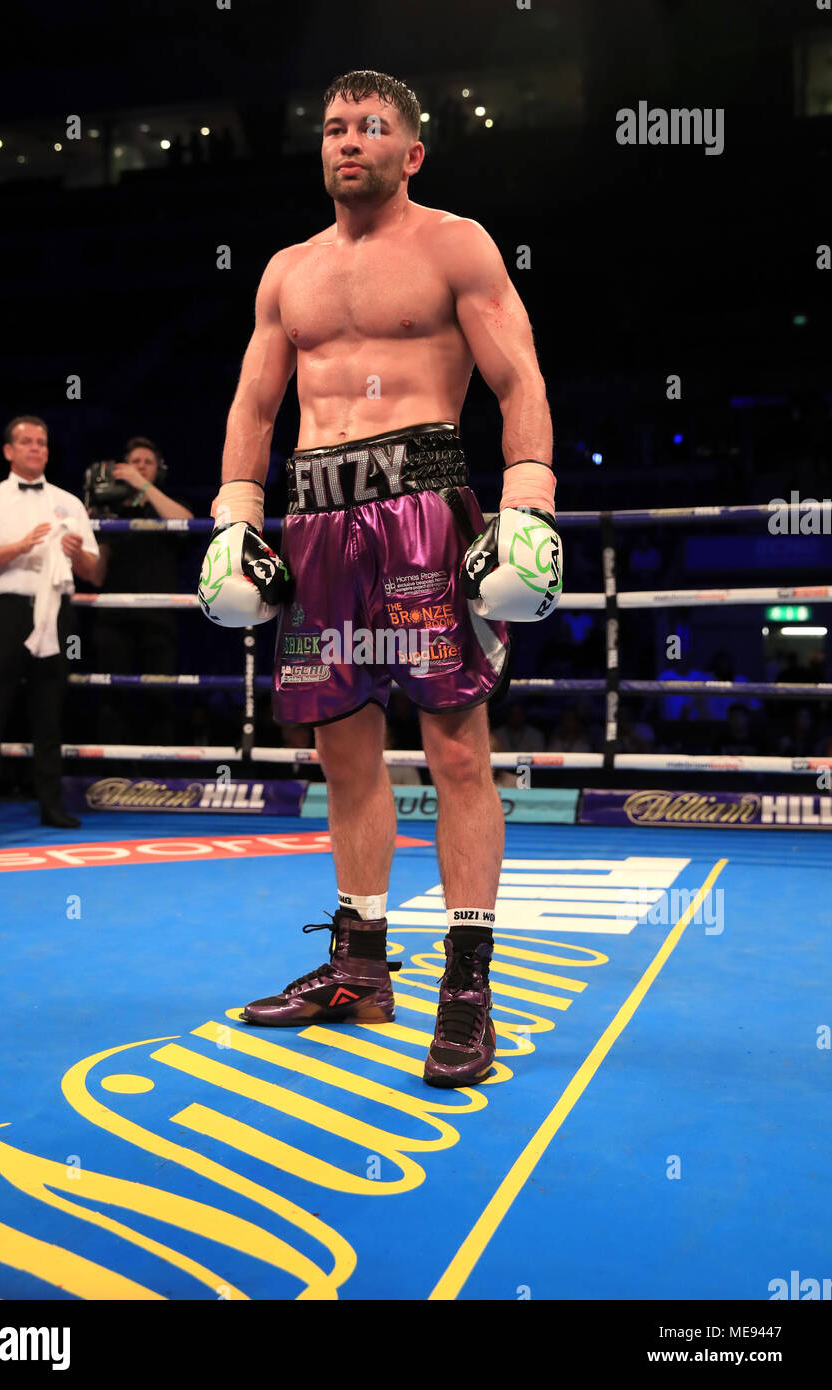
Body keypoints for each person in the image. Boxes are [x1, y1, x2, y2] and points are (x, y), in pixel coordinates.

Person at [202, 70, 562, 1088]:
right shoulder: (286, 273)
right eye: (333, 127)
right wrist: (235, 518)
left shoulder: (457, 244)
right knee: (344, 755)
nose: (346, 140)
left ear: (412, 151)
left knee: (454, 752)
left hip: (423, 507)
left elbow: (518, 380)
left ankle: (467, 988)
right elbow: (252, 410)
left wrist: (526, 501)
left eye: (371, 127)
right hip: (316, 522)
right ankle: (360, 967)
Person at [0, 416, 101, 832]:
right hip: (3, 609)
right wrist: (23, 545)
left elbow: (93, 572)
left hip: (55, 609)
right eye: (27, 442)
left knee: (49, 711)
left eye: (42, 442)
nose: (36, 448)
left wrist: (75, 553)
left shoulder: (69, 502)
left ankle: (50, 806)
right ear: (9, 451)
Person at [89, 438, 193, 767]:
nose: (141, 466)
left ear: (157, 470)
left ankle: (159, 773)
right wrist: (86, 528)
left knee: (158, 695)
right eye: (135, 461)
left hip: (158, 615)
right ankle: (112, 773)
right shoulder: (111, 510)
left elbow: (187, 524)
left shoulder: (165, 504)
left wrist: (144, 486)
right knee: (112, 696)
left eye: (148, 461)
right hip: (113, 615)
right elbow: (96, 573)